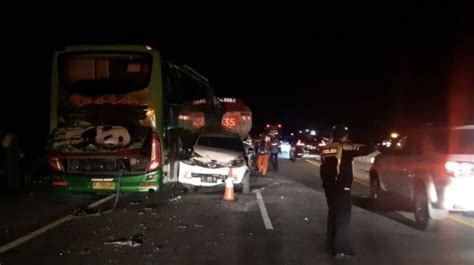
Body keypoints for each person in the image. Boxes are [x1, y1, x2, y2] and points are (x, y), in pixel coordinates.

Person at [319, 125, 374, 259]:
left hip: (329, 187)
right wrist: (372, 143)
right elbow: (366, 149)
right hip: (341, 187)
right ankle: (341, 249)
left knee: (333, 214)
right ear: (345, 136)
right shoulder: (344, 147)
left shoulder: (326, 148)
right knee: (343, 217)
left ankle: (331, 245)